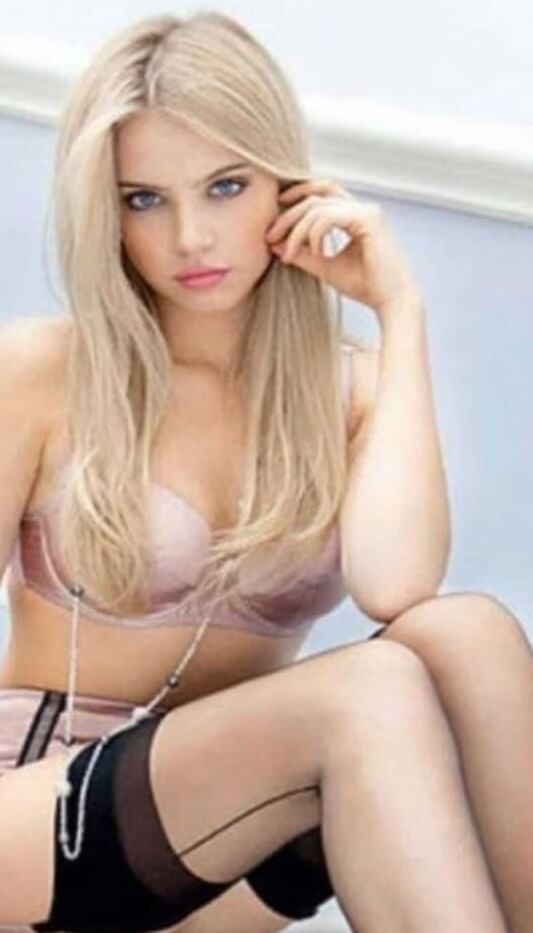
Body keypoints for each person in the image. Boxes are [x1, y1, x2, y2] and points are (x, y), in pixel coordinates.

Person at [0, 10, 518, 933]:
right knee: (369, 690)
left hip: (228, 847)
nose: (191, 237)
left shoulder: (352, 392)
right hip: (34, 819)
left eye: (225, 186)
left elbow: (398, 588)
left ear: (288, 184)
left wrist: (400, 311)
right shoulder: (41, 372)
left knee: (464, 634)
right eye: (143, 199)